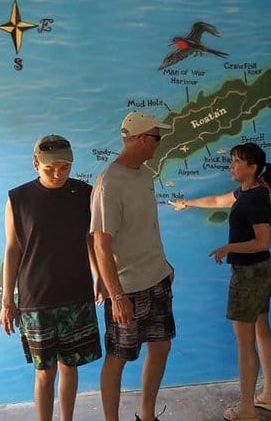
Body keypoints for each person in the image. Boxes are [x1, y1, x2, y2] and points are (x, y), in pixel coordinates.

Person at [168, 142, 271, 421]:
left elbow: (263, 242)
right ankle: (269, 395)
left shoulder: (255, 198)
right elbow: (218, 201)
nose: (231, 165)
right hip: (261, 271)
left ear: (252, 168)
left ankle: (247, 410)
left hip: (249, 275)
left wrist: (229, 248)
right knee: (262, 330)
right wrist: (187, 203)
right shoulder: (249, 191)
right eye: (231, 160)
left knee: (245, 343)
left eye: (236, 161)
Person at [0, 134, 103, 421]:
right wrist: (7, 300)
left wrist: (98, 275)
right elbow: (12, 249)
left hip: (76, 292)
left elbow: (90, 240)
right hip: (36, 298)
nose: (58, 174)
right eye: (50, 169)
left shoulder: (84, 193)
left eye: (64, 168)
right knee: (44, 373)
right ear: (36, 164)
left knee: (71, 366)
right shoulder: (18, 199)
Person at [90, 111, 176, 421]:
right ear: (141, 139)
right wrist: (116, 296)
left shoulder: (144, 175)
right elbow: (100, 244)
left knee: (161, 346)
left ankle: (146, 415)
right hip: (127, 289)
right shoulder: (108, 184)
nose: (158, 144)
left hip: (157, 278)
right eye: (156, 138)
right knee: (118, 357)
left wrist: (164, 264)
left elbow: (145, 227)